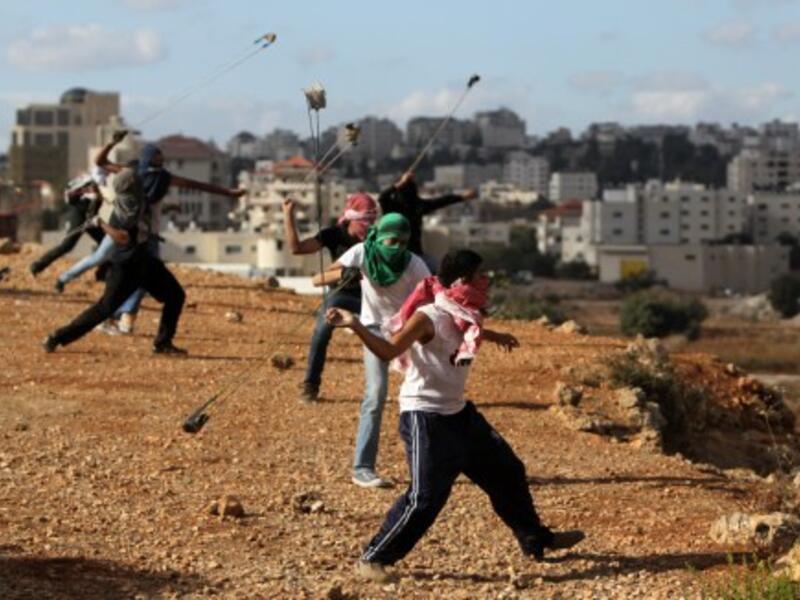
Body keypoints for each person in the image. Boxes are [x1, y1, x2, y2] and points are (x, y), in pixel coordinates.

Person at [326, 249, 584, 583]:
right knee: (425, 498)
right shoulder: (428, 316)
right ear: (462, 281)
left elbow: (467, 329)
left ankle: (536, 539)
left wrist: (495, 336)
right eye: (480, 275)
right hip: (426, 416)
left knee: (507, 471)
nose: (486, 281)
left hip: (459, 414)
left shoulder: (464, 313)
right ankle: (373, 558)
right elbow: (390, 350)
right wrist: (355, 324)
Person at [313, 213, 429, 488]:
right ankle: (362, 467)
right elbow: (318, 278)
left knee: (424, 396)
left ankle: (429, 464)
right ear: (380, 236)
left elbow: (431, 294)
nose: (397, 247)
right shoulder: (362, 252)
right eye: (392, 241)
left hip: (407, 330)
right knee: (375, 394)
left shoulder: (414, 264)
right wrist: (345, 273)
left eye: (403, 242)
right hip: (374, 329)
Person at [96, 133, 245, 334]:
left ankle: (121, 319)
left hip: (137, 234)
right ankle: (118, 318)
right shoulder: (152, 176)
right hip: (140, 235)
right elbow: (198, 185)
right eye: (157, 158)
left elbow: (101, 162)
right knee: (134, 279)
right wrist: (228, 193)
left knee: (134, 279)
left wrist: (228, 193)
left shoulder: (141, 174)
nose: (160, 162)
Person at [42, 166, 187, 355]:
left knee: (176, 296)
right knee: (104, 309)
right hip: (126, 267)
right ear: (131, 186)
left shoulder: (135, 198)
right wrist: (101, 224)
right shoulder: (127, 207)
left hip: (143, 261)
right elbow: (123, 237)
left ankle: (163, 343)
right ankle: (57, 337)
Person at [283, 192, 378, 402]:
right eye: (364, 220)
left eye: (372, 220)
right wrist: (288, 215)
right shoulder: (333, 234)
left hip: (371, 297)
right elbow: (297, 248)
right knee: (321, 330)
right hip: (340, 294)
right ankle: (310, 385)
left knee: (386, 333)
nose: (368, 226)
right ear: (351, 218)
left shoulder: (377, 238)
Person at [378, 170, 476, 271]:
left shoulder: (392, 207)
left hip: (405, 254)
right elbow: (442, 201)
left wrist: (400, 183)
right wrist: (463, 197)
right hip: (412, 255)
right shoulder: (416, 206)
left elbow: (383, 197)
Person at [29, 172, 106, 284]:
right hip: (80, 216)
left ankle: (102, 274)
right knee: (67, 245)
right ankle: (38, 265)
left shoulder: (102, 179)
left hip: (91, 217)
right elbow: (72, 195)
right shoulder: (93, 178)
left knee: (107, 244)